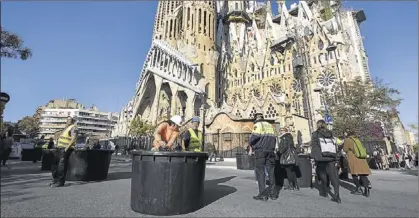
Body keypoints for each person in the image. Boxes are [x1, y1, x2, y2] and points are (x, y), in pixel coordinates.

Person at [310, 120, 341, 203]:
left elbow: (314, 146)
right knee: (333, 176)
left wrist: (313, 156)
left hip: (321, 157)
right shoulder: (330, 133)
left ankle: (325, 191)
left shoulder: (315, 134)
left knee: (322, 174)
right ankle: (337, 195)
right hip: (331, 156)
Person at [249, 112, 277, 201]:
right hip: (270, 151)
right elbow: (274, 138)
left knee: (261, 172)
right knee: (271, 172)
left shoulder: (257, 125)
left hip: (260, 151)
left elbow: (255, 137)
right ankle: (273, 194)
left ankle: (263, 194)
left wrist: (250, 141)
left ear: (255, 119)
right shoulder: (270, 125)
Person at [49, 115, 78, 188]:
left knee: (61, 165)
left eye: (69, 119)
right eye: (67, 119)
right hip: (59, 148)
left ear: (72, 121)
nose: (67, 121)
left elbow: (73, 138)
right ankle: (55, 179)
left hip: (65, 148)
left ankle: (60, 182)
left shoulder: (74, 127)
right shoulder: (66, 128)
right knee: (54, 164)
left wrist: (66, 148)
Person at [343, 131, 372, 197]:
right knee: (363, 175)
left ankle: (358, 187)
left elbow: (345, 149)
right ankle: (366, 189)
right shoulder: (357, 140)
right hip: (361, 159)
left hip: (353, 159)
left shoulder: (347, 140)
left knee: (354, 174)